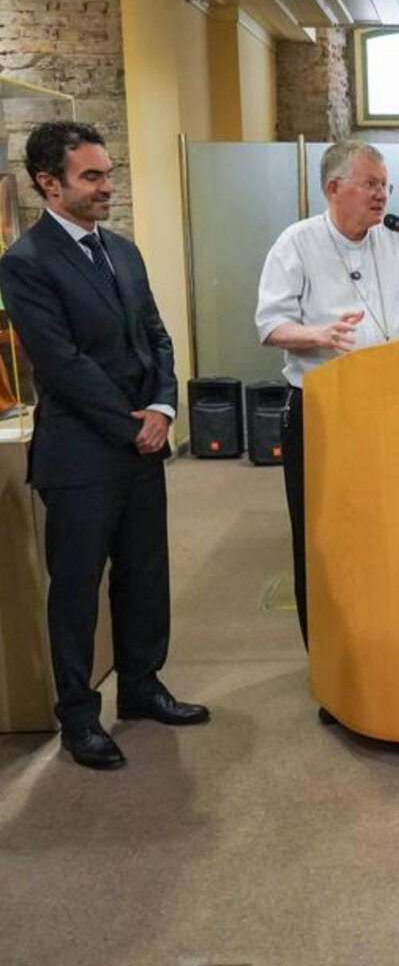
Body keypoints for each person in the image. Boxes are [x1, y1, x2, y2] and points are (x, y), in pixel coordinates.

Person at [0, 122, 209, 771]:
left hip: (142, 446)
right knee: (77, 589)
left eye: (107, 172)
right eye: (91, 176)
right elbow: (61, 364)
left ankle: (142, 686)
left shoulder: (123, 251)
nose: (106, 186)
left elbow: (157, 336)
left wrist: (165, 406)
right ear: (48, 183)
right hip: (82, 456)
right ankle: (79, 716)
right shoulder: (26, 262)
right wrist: (133, 421)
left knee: (146, 576)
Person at [255, 140, 399, 649]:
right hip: (323, 410)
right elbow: (270, 324)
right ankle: (329, 657)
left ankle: (389, 638)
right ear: (333, 188)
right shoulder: (296, 243)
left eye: (385, 184)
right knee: (324, 538)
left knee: (392, 528)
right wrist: (317, 336)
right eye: (370, 184)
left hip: (396, 408)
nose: (381, 194)